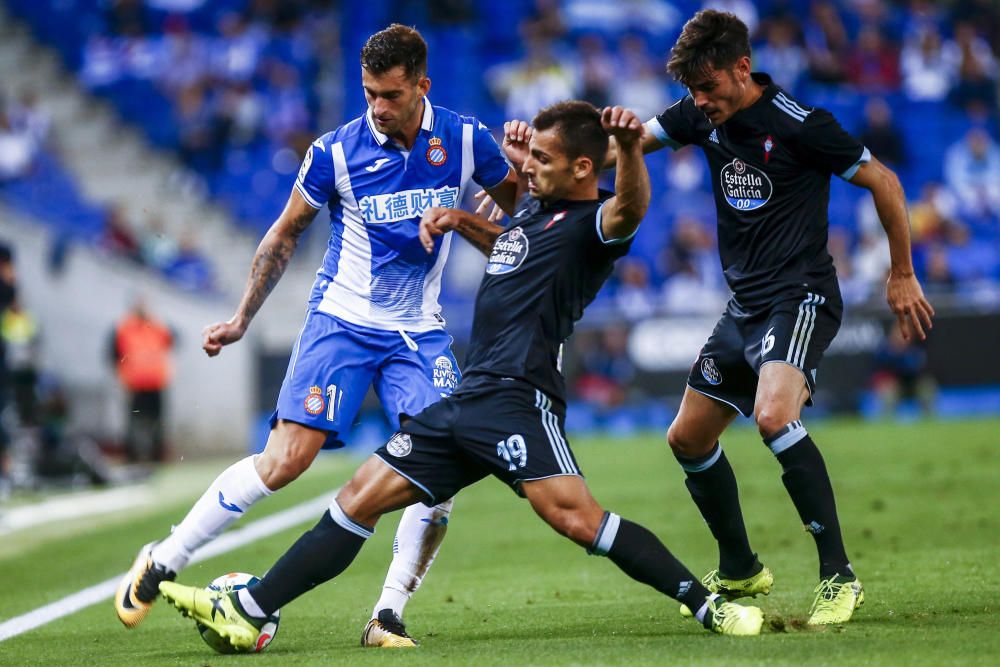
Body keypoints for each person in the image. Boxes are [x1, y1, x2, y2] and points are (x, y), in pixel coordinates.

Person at [158, 101, 764, 652]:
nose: (528, 171)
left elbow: (629, 207)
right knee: (356, 501)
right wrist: (458, 217)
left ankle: (706, 605)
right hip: (468, 399)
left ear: (584, 168)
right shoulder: (536, 217)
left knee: (580, 520)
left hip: (518, 404)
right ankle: (251, 608)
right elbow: (509, 241)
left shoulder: (590, 229)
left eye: (545, 163)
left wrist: (630, 149)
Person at [115, 24, 521, 648]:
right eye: (368, 94)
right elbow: (283, 235)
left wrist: (472, 218)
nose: (378, 108)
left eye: (390, 95)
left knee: (441, 474)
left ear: (422, 87)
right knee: (285, 463)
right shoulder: (335, 151)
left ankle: (386, 616)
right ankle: (165, 557)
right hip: (343, 322)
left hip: (418, 332)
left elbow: (514, 217)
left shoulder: (466, 140)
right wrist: (241, 319)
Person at [597, 10, 933, 625]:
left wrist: (901, 271)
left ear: (742, 68)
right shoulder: (698, 114)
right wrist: (596, 142)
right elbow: (631, 144)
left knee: (774, 417)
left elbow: (884, 181)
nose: (701, 102)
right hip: (744, 303)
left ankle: (840, 576)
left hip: (800, 293)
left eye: (709, 87)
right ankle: (740, 568)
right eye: (692, 92)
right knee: (687, 438)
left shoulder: (801, 124)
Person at [108, 298, 175, 463]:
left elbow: (172, 341)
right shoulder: (124, 328)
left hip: (155, 382)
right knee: (134, 422)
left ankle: (157, 455)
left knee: (157, 422)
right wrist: (121, 376)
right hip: (135, 383)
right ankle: (132, 456)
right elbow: (113, 354)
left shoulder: (157, 326)